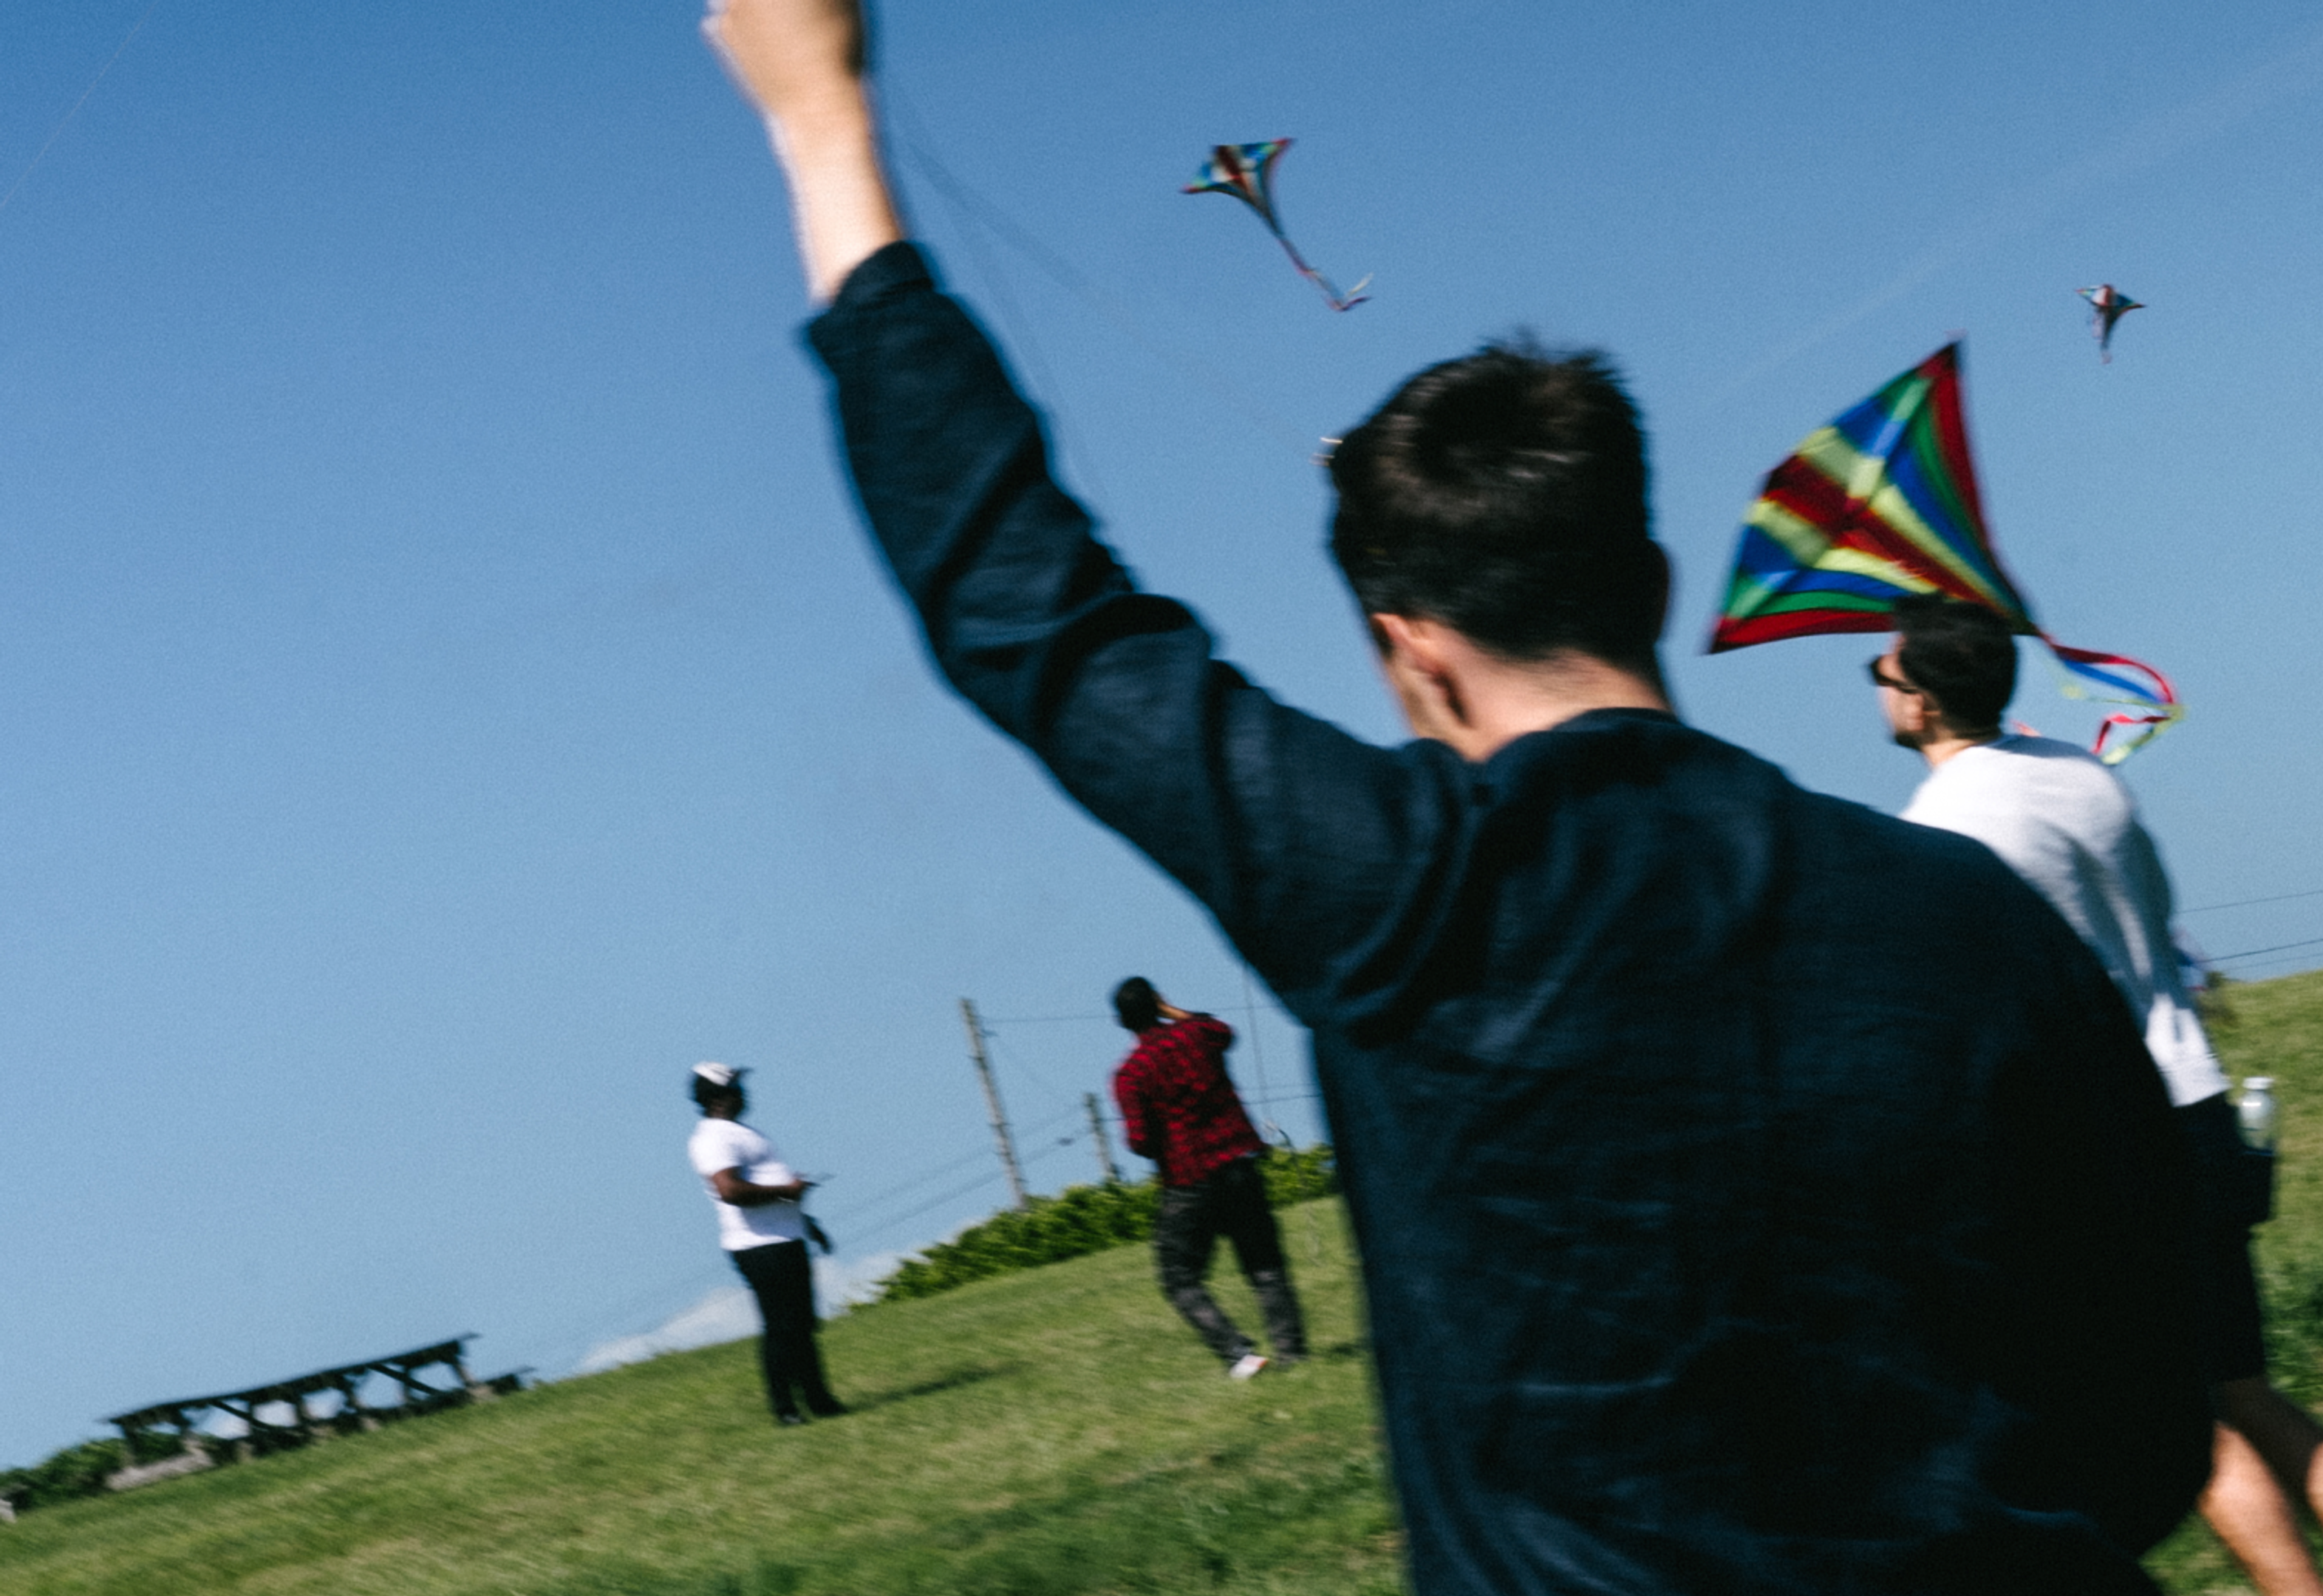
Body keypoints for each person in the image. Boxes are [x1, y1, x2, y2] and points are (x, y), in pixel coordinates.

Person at [704, 4, 2208, 1588]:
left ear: (1407, 655)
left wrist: (822, 124)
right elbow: (2150, 1416)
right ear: (1651, 580)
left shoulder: (1395, 890)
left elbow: (1024, 603)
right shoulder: (1971, 908)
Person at [1877, 598, 2323, 1596]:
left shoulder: (1938, 832)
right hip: (2199, 1100)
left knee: (2186, 1425)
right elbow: (2159, 916)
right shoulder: (2083, 774)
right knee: (2246, 1392)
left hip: (2109, 1135)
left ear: (1919, 702)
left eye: (1884, 675)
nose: (1879, 690)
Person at [1110, 978, 1307, 1379]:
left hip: (1189, 1180)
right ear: (1159, 1003)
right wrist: (1175, 1011)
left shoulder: (1131, 1074)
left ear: (1123, 1022)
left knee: (1179, 1278)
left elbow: (1141, 1143)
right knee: (1265, 1265)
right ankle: (1293, 1354)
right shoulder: (1200, 1035)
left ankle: (1241, 1356)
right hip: (1239, 1162)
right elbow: (1225, 1032)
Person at [686, 1063, 846, 1426]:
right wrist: (787, 1191)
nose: (744, 1093)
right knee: (781, 1327)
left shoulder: (739, 1132)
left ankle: (819, 1400)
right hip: (758, 1246)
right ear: (718, 1098)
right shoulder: (713, 1138)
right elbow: (730, 1191)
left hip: (784, 1238)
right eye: (736, 1087)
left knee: (801, 1325)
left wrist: (807, 1223)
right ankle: (785, 1409)